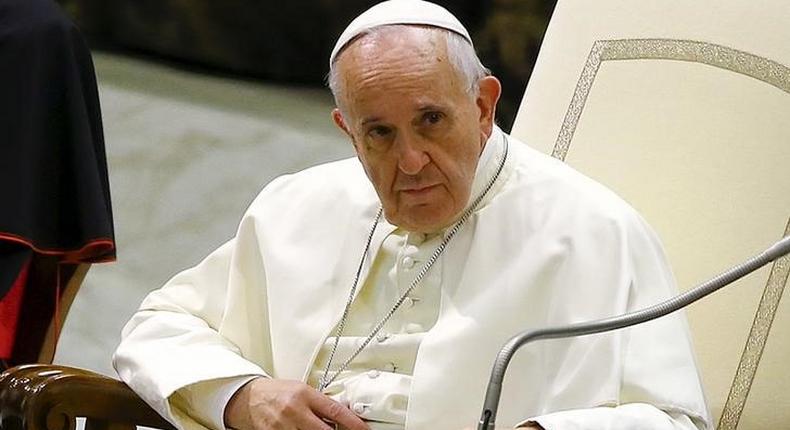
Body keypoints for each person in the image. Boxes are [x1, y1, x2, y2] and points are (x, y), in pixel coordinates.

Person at [114, 1, 711, 429]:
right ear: (348, 131)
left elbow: (670, 418)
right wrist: (244, 395)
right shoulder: (297, 205)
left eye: (431, 120)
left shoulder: (594, 230)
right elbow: (159, 326)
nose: (412, 160)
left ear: (482, 106)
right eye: (380, 133)